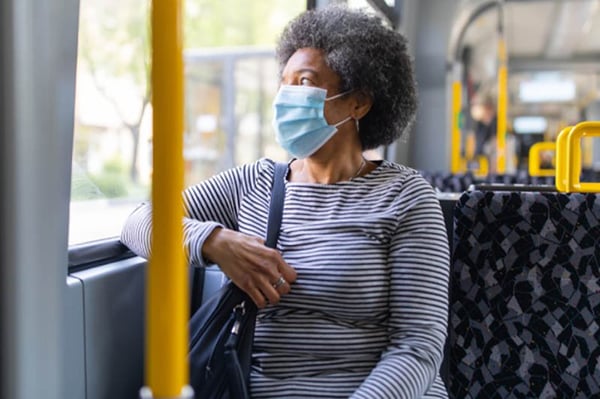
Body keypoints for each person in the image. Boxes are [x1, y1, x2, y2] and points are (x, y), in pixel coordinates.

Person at [121, 6, 450, 398]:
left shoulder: (407, 198)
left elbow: (416, 348)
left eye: (305, 82)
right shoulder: (256, 183)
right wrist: (214, 242)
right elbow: (138, 222)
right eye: (284, 83)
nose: (286, 97)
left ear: (358, 103)